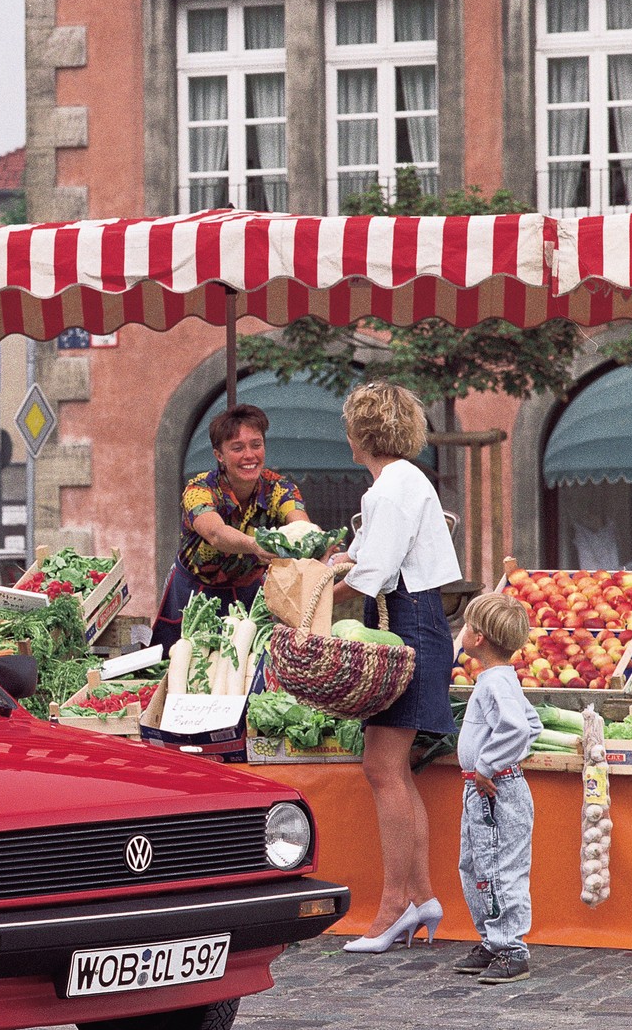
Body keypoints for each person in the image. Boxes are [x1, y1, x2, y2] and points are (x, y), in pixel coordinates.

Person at [327, 383, 462, 953]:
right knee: (395, 769)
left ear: (361, 433)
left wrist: (311, 597)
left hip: (404, 621)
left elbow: (373, 574)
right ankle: (420, 896)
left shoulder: (389, 489)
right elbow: (377, 555)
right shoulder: (405, 480)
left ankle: (394, 906)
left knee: (381, 766)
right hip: (417, 618)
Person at [151, 403, 311, 650]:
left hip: (249, 594)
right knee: (182, 663)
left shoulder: (280, 489)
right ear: (219, 455)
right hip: (193, 593)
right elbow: (215, 533)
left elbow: (299, 522)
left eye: (256, 445)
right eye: (237, 448)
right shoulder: (199, 489)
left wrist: (311, 539)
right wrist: (255, 545)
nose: (249, 455)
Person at [452, 592, 542, 985]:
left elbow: (519, 728)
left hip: (494, 792)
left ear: (480, 637)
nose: (462, 632)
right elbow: (533, 724)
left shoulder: (494, 684)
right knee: (475, 864)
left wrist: (488, 764)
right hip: (484, 790)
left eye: (467, 626)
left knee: (498, 868)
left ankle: (511, 947)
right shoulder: (499, 680)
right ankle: (493, 937)